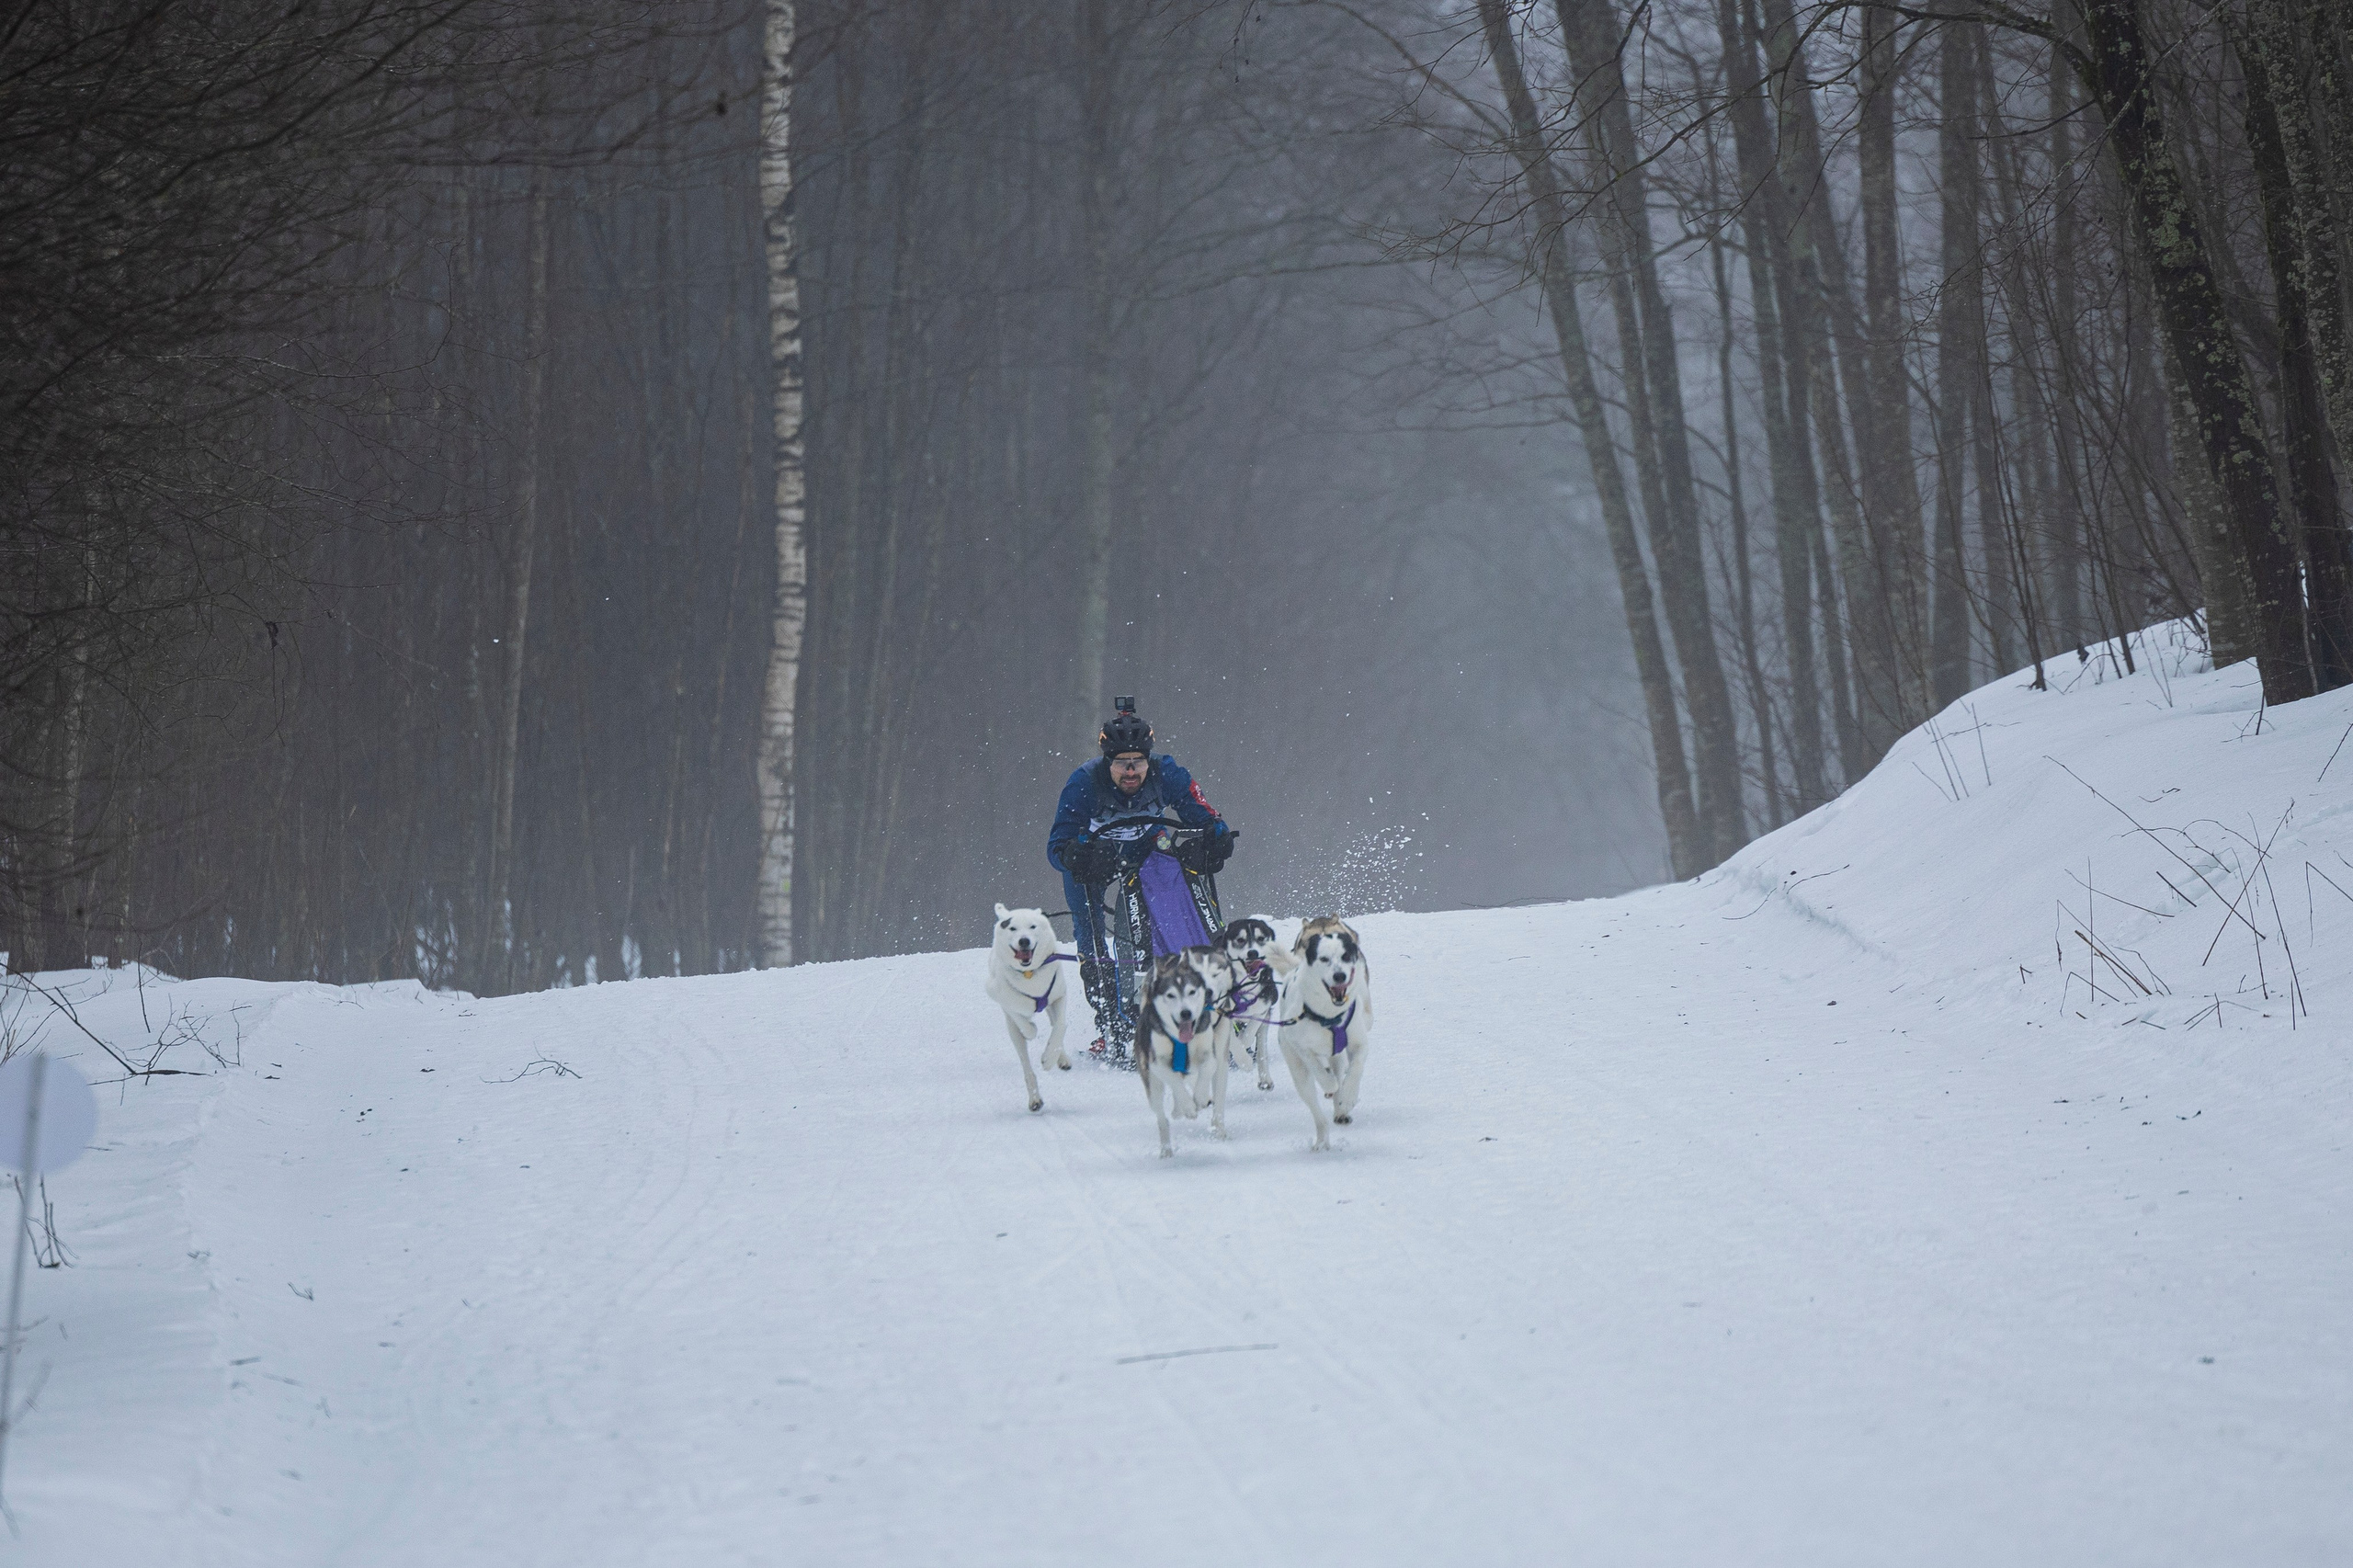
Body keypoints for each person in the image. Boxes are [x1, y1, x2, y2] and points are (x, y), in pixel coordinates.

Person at [1047, 698, 1236, 1052]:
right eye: (1122, 765)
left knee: (1171, 889)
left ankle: (1200, 996)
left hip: (1145, 846)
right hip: (1094, 857)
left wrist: (1216, 836)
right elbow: (1056, 846)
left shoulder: (1168, 773)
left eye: (1138, 763)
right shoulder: (1083, 783)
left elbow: (1203, 814)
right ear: (1108, 763)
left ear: (1149, 760)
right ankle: (1111, 1023)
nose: (1131, 772)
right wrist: (1075, 855)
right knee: (1090, 936)